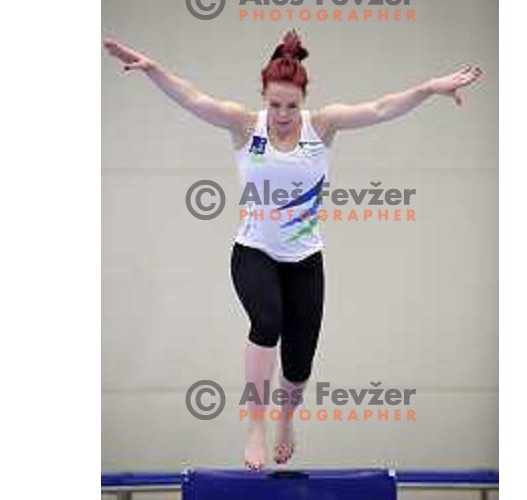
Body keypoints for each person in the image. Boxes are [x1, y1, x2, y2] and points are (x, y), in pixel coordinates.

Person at [103, 29, 482, 470]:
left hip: (305, 260)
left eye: (292, 105)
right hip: (253, 251)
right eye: (275, 104)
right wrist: (152, 69)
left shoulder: (323, 126)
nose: (283, 114)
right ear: (263, 96)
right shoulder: (245, 124)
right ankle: (256, 428)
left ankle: (286, 419)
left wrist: (427, 89)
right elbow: (191, 97)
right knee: (267, 320)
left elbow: (380, 108)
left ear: (304, 100)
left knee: (298, 364)